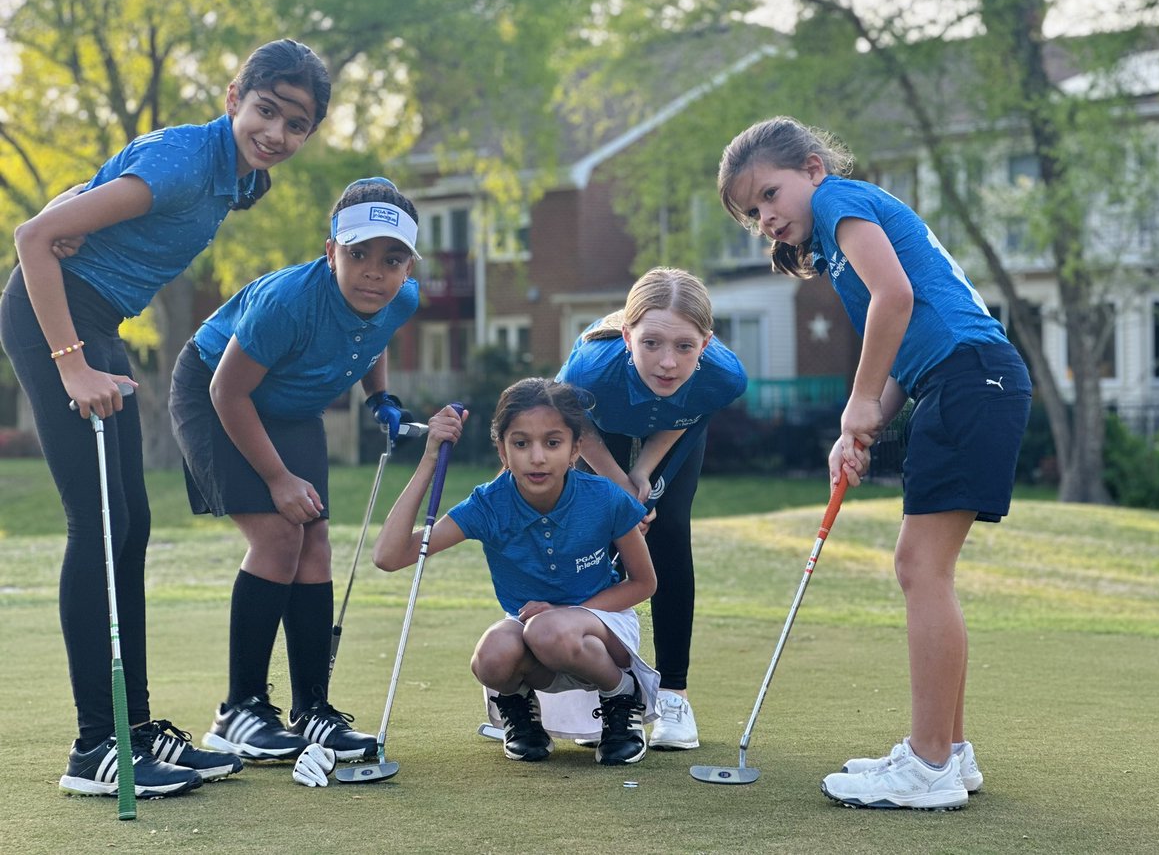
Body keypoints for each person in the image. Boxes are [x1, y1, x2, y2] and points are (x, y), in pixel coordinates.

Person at [0, 38, 331, 800]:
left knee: (131, 526)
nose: (276, 132)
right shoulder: (188, 163)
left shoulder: (240, 182)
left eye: (296, 123)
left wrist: (67, 206)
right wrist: (72, 364)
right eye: (266, 110)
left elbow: (77, 203)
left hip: (98, 319)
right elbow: (32, 241)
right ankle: (97, 748)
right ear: (233, 98)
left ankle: (136, 729)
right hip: (61, 318)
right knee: (103, 526)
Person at [718, 116, 1032, 811]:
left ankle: (929, 765)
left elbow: (898, 298)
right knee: (924, 568)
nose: (765, 217)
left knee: (921, 568)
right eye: (752, 211)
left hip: (970, 378)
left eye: (771, 194)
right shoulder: (833, 239)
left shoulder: (839, 203)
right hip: (965, 380)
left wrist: (858, 401)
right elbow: (899, 345)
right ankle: (946, 751)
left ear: (812, 168)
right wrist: (862, 425)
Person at [168, 177, 421, 765]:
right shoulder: (287, 302)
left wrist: (377, 397)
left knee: (316, 542)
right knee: (280, 532)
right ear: (330, 250)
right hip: (218, 395)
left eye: (391, 259)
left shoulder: (400, 298)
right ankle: (240, 711)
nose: (373, 273)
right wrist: (278, 480)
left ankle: (312, 710)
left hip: (291, 407)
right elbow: (227, 391)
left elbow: (374, 333)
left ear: (408, 266)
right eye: (357, 254)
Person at [373, 379, 661, 765]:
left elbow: (644, 583)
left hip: (605, 625)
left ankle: (621, 695)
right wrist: (429, 458)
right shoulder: (489, 505)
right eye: (521, 443)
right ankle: (520, 712)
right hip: (529, 627)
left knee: (549, 629)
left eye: (553, 442)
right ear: (503, 451)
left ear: (576, 449)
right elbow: (389, 556)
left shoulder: (605, 496)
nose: (537, 457)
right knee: (491, 657)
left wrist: (570, 614)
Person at [555, 267, 747, 751]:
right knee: (591, 543)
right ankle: (595, 694)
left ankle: (674, 696)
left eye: (684, 347)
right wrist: (619, 482)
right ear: (627, 337)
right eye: (652, 344)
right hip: (599, 432)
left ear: (706, 343)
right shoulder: (590, 369)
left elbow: (687, 412)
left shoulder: (725, 376)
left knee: (668, 534)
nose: (667, 363)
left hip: (673, 434)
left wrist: (645, 476)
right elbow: (573, 421)